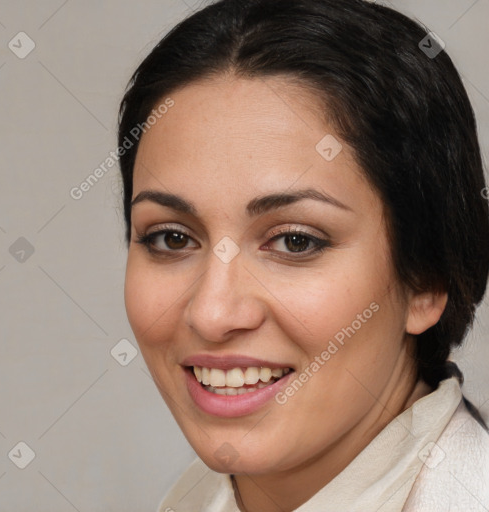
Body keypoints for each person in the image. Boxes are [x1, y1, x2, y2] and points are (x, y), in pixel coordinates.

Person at [117, 0, 489, 510]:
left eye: (296, 241)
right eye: (172, 238)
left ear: (427, 276)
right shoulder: (193, 500)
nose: (212, 313)